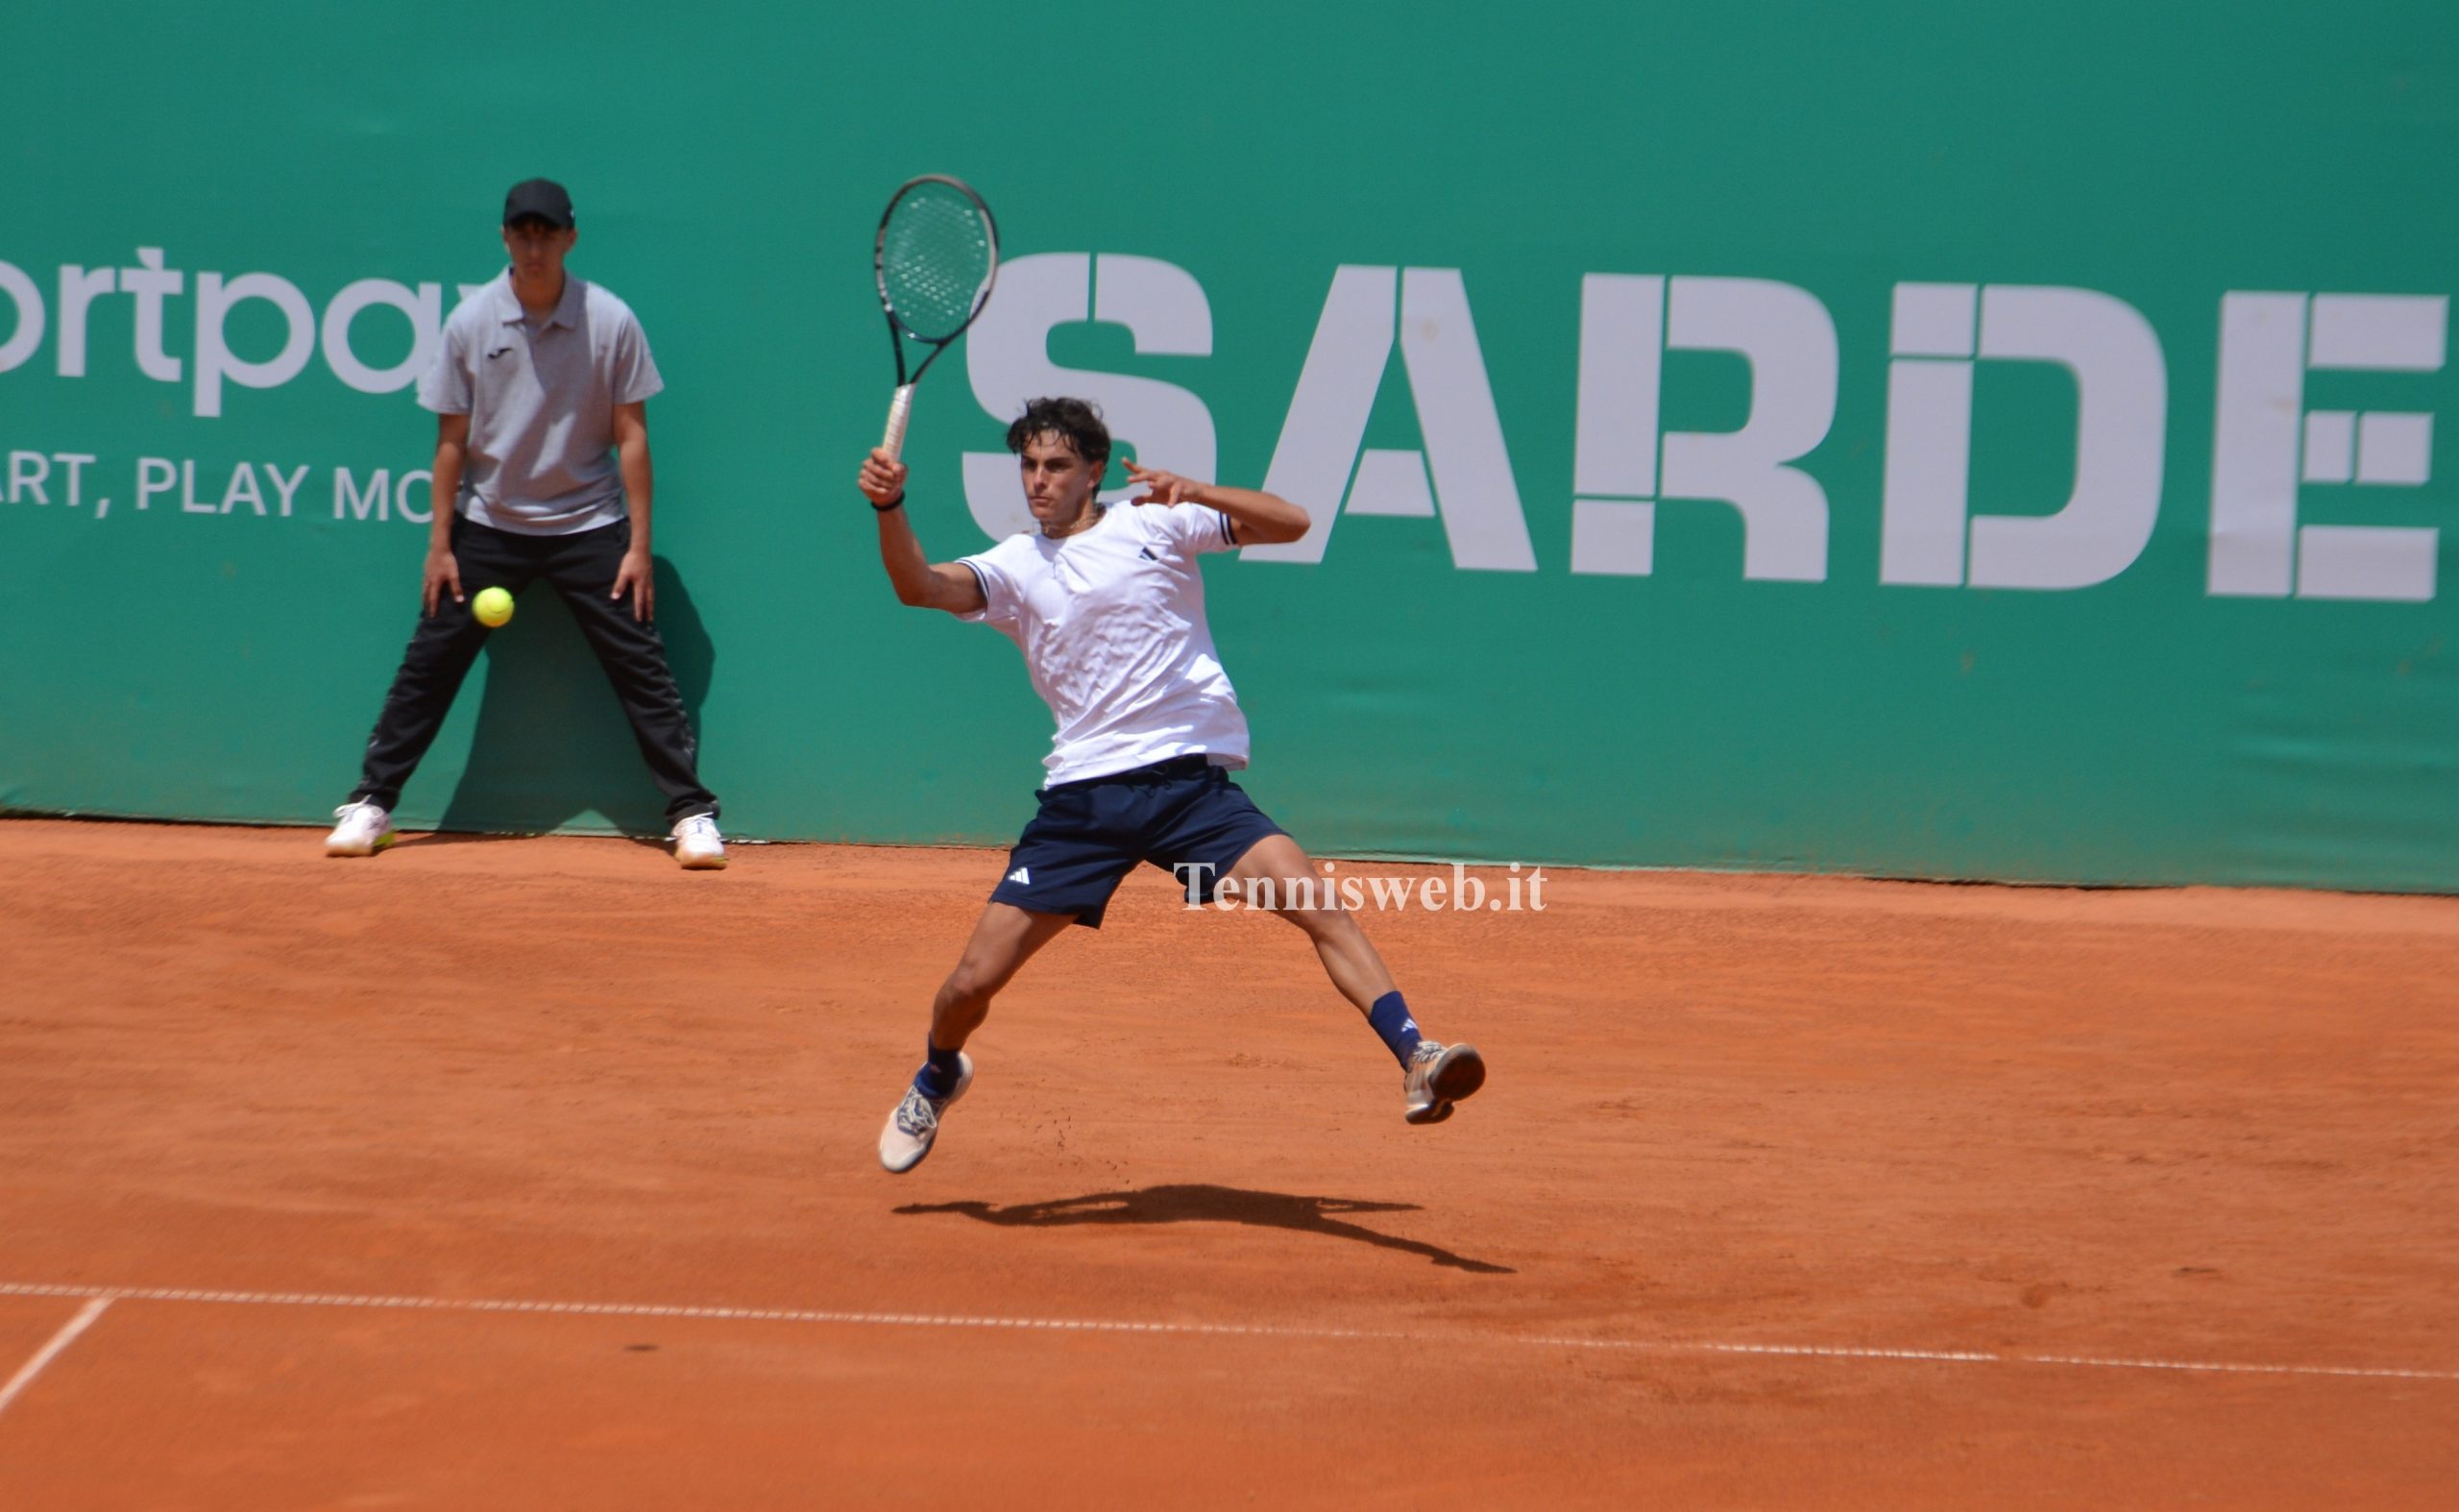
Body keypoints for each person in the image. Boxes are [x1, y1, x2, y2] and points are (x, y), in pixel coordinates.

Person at [856, 397, 1486, 1172]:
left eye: (1056, 466)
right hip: (1083, 803)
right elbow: (917, 585)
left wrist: (1198, 490)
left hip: (1190, 789)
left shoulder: (1156, 523)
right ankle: (938, 1074)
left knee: (1317, 903)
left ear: (1094, 470)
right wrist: (890, 506)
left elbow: (1292, 522)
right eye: (1028, 466)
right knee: (967, 986)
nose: (1038, 482)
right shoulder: (1016, 565)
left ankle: (1416, 1055)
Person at [324, 179, 725, 868]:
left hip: (590, 524)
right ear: (505, 238)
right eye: (522, 233)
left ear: (569, 238)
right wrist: (440, 545)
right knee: (428, 666)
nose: (534, 247)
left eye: (546, 233)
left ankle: (691, 815)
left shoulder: (611, 321)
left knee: (642, 667)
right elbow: (451, 442)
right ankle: (371, 804)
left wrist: (637, 543)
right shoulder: (471, 322)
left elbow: (632, 436)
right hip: (491, 525)